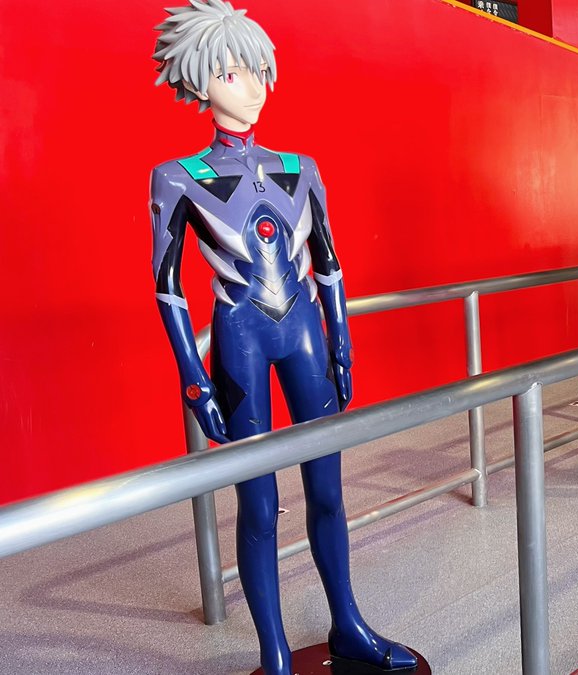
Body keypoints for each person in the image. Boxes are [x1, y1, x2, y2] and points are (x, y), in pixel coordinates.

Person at [149, 2, 417, 672]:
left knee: (328, 488)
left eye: (256, 70)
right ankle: (273, 654)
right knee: (259, 502)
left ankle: (348, 622)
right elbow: (167, 286)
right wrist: (193, 377)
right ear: (200, 81)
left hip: (304, 334)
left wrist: (341, 342)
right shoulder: (177, 177)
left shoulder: (302, 167)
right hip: (238, 338)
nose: (251, 86)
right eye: (231, 73)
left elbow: (329, 264)